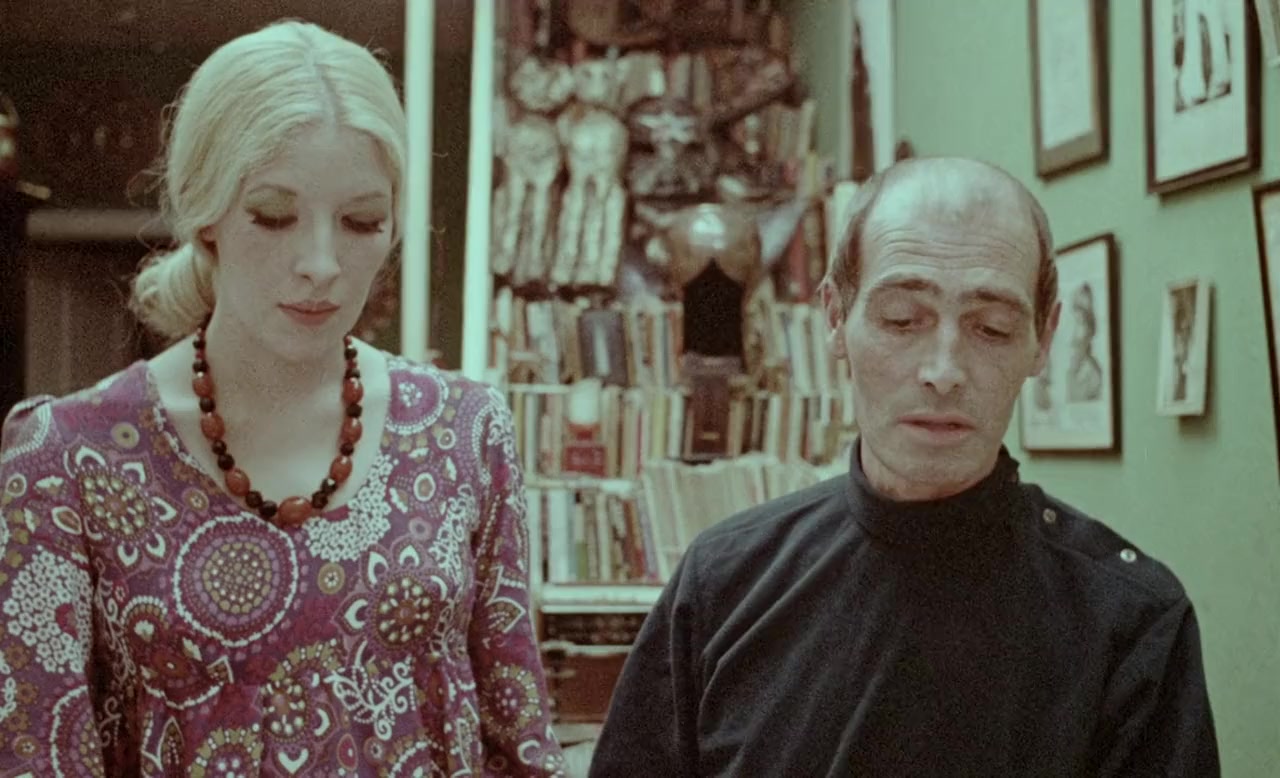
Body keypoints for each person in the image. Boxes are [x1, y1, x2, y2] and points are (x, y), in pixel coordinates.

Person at [0, 20, 565, 777]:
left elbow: (520, 743)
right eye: (273, 215)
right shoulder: (67, 457)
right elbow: (37, 756)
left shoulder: (463, 431)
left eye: (361, 222)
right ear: (204, 214)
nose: (321, 263)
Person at [589, 157, 1219, 776]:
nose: (943, 371)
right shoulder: (723, 581)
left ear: (1043, 340)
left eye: (991, 328)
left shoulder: (1130, 622)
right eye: (901, 319)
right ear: (836, 317)